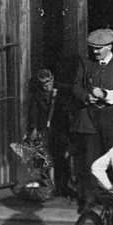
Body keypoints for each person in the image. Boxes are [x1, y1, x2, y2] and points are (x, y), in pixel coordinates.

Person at [70, 27, 113, 213]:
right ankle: (89, 199)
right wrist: (86, 97)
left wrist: (105, 94)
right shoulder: (86, 63)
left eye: (99, 48)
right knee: (90, 159)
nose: (95, 52)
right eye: (93, 48)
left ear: (110, 47)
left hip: (111, 117)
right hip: (89, 117)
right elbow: (76, 87)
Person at [27, 68, 69, 197]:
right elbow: (34, 112)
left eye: (48, 83)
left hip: (60, 129)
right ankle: (48, 186)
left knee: (61, 158)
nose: (47, 87)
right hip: (45, 130)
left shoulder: (61, 92)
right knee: (45, 159)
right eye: (44, 85)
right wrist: (34, 128)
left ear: (53, 80)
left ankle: (63, 187)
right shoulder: (37, 95)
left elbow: (66, 111)